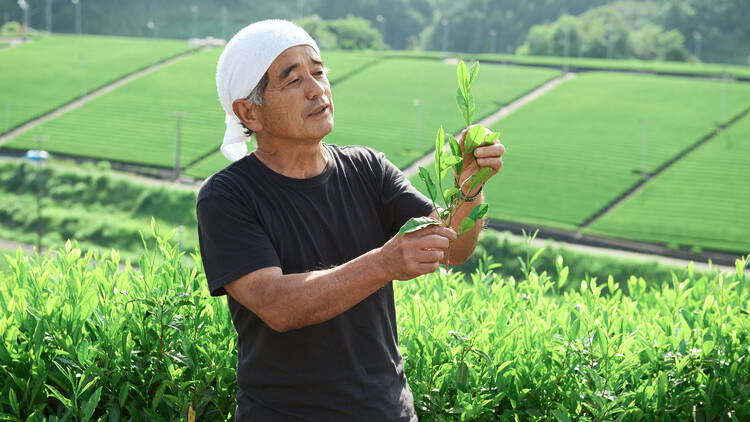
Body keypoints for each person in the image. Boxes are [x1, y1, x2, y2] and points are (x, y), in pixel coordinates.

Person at [197, 19, 505, 421]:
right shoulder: (227, 196)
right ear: (248, 113)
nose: (316, 89)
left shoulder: (368, 169)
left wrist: (470, 184)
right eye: (292, 81)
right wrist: (383, 263)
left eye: (319, 72)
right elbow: (276, 304)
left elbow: (453, 247)